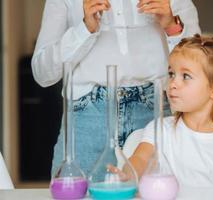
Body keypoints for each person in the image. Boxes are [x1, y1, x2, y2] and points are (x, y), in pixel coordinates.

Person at [31, 0, 200, 176]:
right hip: (87, 121)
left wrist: (171, 25)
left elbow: (201, 66)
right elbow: (43, 73)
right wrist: (84, 29)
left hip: (155, 116)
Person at [123, 34, 213, 189]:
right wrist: (127, 174)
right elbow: (140, 159)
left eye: (186, 76)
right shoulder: (159, 129)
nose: (173, 83)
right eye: (171, 74)